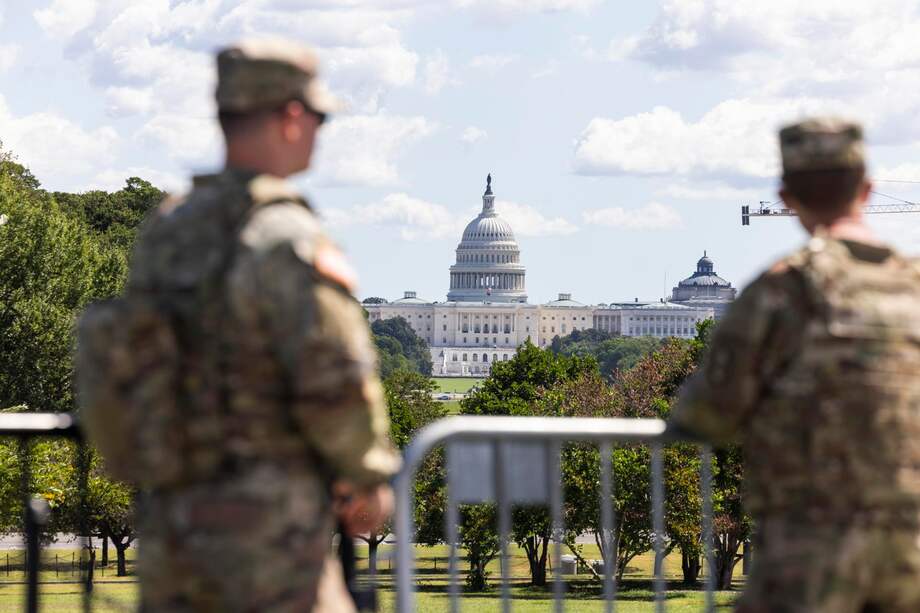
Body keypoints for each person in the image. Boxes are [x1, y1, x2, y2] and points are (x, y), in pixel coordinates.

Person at [128, 39, 401, 612]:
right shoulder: (286, 237)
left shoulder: (170, 228)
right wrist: (367, 476)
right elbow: (337, 376)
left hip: (173, 524)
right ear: (292, 117)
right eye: (320, 117)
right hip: (268, 533)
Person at [670, 117, 920, 613]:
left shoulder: (784, 290)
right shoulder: (913, 285)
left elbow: (706, 416)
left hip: (810, 545)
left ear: (786, 196)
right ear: (868, 189)